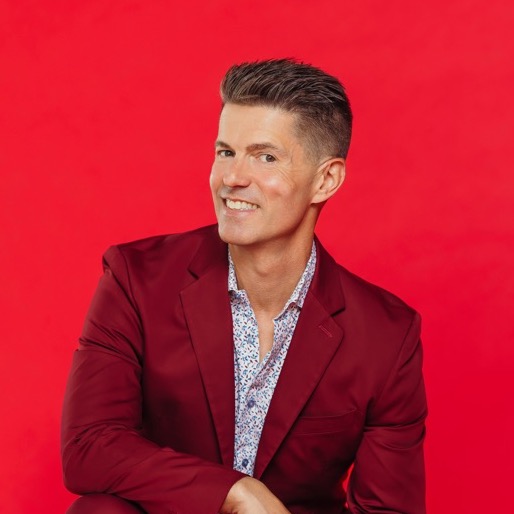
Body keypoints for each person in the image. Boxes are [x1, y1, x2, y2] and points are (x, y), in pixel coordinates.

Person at [62, 59, 427, 514]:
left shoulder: (385, 335)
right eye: (225, 152)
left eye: (265, 156)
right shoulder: (137, 278)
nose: (232, 178)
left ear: (326, 179)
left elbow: (388, 510)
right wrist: (235, 493)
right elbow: (89, 445)